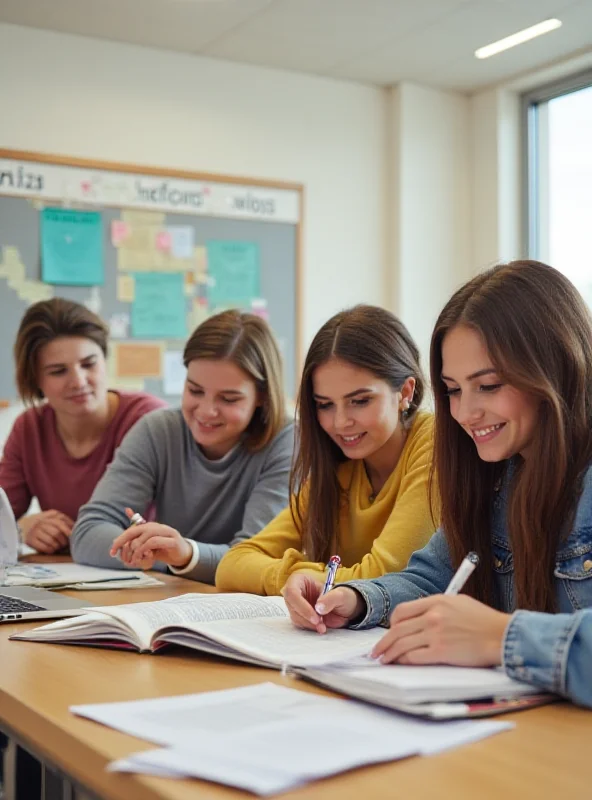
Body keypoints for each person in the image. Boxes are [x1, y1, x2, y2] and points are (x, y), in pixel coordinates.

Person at [282, 261, 592, 708]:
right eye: (453, 390)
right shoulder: (497, 474)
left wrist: (502, 636)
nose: (465, 414)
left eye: (487, 385)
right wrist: (354, 599)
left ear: (555, 365)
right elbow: (433, 576)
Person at [216, 304, 437, 595]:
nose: (341, 422)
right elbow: (232, 565)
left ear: (405, 393)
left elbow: (384, 578)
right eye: (325, 405)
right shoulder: (338, 468)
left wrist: (305, 578)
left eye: (360, 401)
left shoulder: (434, 441)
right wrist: (300, 579)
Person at [70, 309, 294, 584]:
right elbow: (87, 534)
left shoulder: (288, 440)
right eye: (195, 391)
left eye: (229, 399)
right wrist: (164, 555)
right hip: (175, 597)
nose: (206, 411)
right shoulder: (158, 430)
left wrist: (185, 555)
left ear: (262, 396)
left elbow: (256, 559)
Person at [0, 298, 166, 554]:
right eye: (58, 371)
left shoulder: (148, 419)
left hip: (151, 572)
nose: (78, 381)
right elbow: (4, 514)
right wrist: (21, 528)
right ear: (35, 379)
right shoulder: (29, 428)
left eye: (89, 364)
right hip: (72, 573)